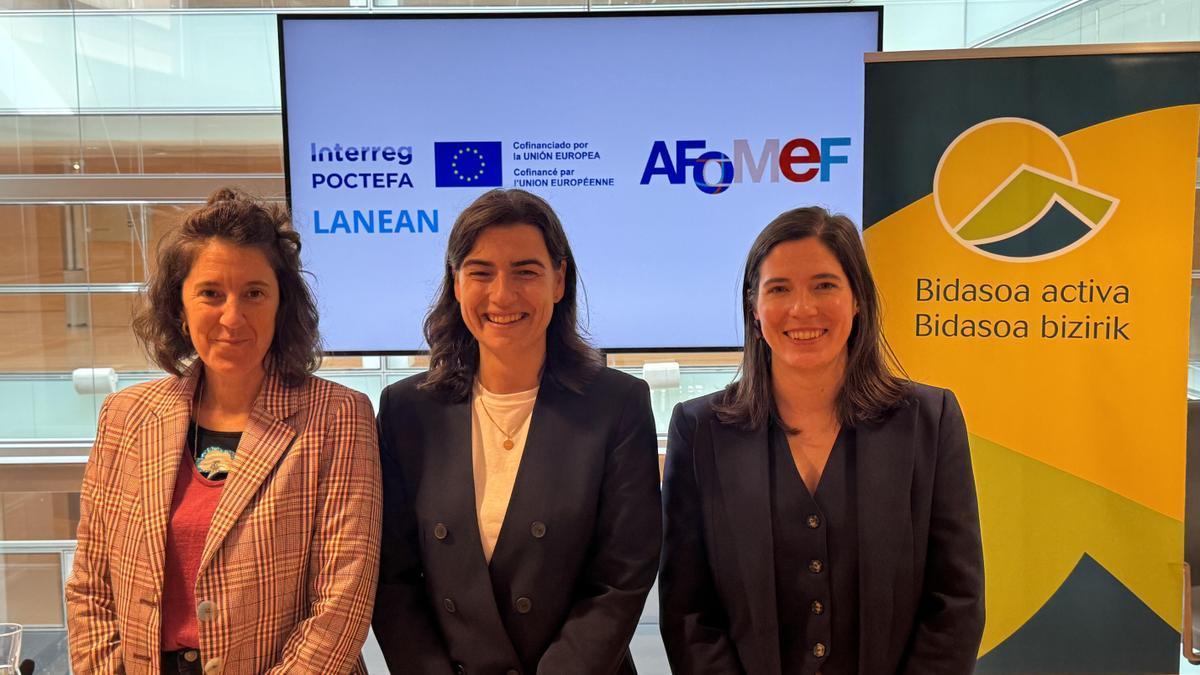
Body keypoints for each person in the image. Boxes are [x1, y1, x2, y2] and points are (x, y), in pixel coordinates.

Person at [65, 188, 382, 675]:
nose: (232, 317)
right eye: (211, 294)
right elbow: (91, 584)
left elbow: (343, 602)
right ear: (179, 307)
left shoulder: (337, 416)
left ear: (281, 305)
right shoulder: (127, 416)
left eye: (254, 293)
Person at [659, 206, 984, 675]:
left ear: (857, 300)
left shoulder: (929, 422)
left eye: (824, 285)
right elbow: (687, 610)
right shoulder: (700, 430)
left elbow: (955, 600)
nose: (802, 308)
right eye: (779, 289)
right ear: (754, 308)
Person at [373, 188, 661, 674]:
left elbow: (621, 580)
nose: (502, 295)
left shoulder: (618, 405)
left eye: (525, 271)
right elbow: (393, 579)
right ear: (456, 283)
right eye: (480, 272)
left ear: (559, 280)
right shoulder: (406, 410)